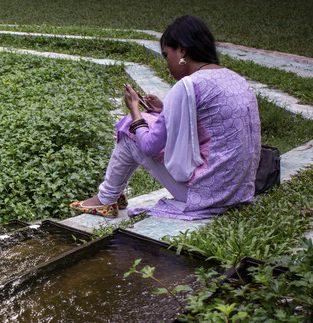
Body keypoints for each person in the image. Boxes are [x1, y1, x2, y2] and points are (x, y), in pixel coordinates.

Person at [70, 15, 261, 220]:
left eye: (166, 55)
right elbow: (210, 124)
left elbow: (149, 146)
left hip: (207, 195)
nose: (167, 64)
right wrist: (164, 110)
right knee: (148, 118)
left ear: (182, 50)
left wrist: (134, 110)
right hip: (239, 191)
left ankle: (106, 197)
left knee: (128, 130)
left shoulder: (189, 85)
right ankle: (112, 195)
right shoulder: (234, 77)